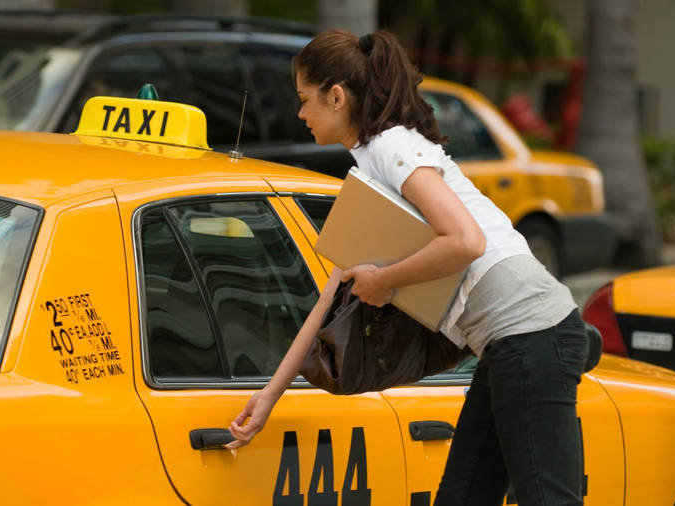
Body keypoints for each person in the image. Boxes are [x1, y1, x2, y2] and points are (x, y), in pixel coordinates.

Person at [226, 29, 589, 506]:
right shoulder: (370, 165)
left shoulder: (390, 147)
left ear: (336, 97)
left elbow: (465, 241)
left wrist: (385, 280)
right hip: (509, 343)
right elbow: (331, 298)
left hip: (531, 334)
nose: (300, 114)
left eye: (304, 99)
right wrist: (270, 395)